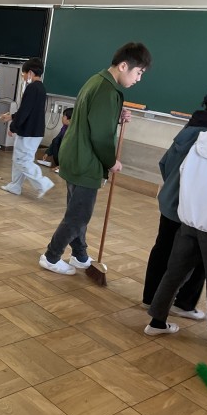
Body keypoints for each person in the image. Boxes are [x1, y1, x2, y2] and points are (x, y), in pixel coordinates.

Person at [39, 42, 152, 275]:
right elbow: (100, 135)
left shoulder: (98, 80)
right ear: (124, 66)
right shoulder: (107, 91)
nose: (139, 79)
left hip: (75, 155)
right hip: (85, 160)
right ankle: (51, 256)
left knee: (77, 211)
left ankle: (79, 255)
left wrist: (116, 114)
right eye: (139, 72)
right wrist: (111, 162)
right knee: (78, 215)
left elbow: (93, 117)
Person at [142, 86, 207, 320]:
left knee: (163, 249)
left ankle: (151, 299)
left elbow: (165, 164)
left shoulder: (190, 127)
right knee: (199, 259)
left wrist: (172, 191)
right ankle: (183, 303)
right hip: (195, 210)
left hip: (171, 203)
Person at [0, 57, 55, 198]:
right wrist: (12, 117)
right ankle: (15, 186)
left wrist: (13, 127)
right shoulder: (40, 88)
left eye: (23, 73)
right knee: (18, 159)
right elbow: (28, 110)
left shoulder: (32, 88)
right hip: (33, 131)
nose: (23, 77)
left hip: (29, 132)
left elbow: (25, 111)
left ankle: (43, 183)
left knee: (23, 160)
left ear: (30, 72)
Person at [43, 107, 73, 174]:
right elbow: (56, 140)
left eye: (64, 116)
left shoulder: (74, 131)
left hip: (69, 161)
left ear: (69, 119)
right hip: (61, 158)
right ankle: (59, 165)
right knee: (56, 140)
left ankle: (63, 167)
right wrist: (47, 153)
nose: (62, 117)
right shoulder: (64, 128)